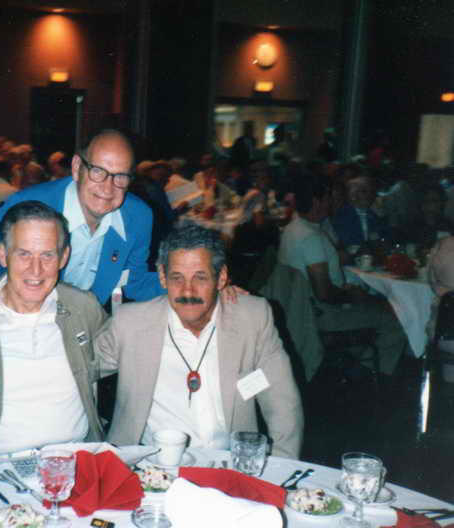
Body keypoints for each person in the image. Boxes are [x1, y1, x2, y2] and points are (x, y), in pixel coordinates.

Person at [94, 221, 304, 459]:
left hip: (228, 464)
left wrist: (280, 470)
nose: (188, 291)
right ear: (162, 277)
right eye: (177, 278)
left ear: (221, 277)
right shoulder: (130, 324)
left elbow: (283, 405)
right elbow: (79, 370)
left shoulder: (252, 318)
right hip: (149, 463)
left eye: (200, 278)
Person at [0, 201, 106, 464]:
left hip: (77, 460)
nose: (36, 270)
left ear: (64, 257)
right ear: (3, 255)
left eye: (47, 255)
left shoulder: (83, 308)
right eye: (24, 254)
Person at [0, 129, 162, 305]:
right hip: (11, 313)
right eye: (97, 171)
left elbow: (135, 283)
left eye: (120, 176)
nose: (108, 188)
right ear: (77, 168)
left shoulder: (137, 217)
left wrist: (177, 279)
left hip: (79, 324)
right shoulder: (30, 204)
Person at [278, 173, 407, 376]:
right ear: (317, 202)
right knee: (397, 318)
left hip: (302, 310)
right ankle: (366, 375)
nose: (332, 203)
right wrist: (352, 295)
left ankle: (352, 364)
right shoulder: (311, 237)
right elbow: (324, 293)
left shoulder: (292, 229)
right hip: (322, 316)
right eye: (328, 198)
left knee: (376, 307)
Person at [329, 174, 391, 249]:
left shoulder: (374, 213)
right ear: (352, 195)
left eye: (371, 191)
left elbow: (386, 237)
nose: (370, 195)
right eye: (364, 191)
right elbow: (348, 243)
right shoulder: (342, 215)